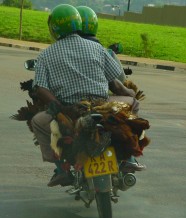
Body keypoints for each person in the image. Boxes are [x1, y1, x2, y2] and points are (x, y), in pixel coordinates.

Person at [31, 4, 144, 188]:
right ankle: (129, 157)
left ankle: (61, 169)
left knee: (37, 121)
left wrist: (59, 107)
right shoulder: (97, 48)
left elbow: (40, 88)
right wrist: (131, 94)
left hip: (71, 111)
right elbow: (116, 81)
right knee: (133, 104)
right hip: (103, 106)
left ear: (54, 29)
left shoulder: (46, 55)